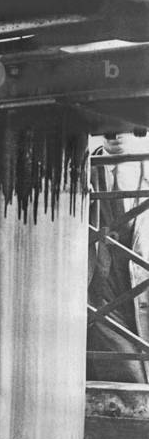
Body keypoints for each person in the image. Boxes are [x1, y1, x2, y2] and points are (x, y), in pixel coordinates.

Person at [87, 132, 149, 382]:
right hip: (100, 296)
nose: (116, 133)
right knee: (126, 375)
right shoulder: (79, 167)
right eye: (110, 128)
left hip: (142, 287)